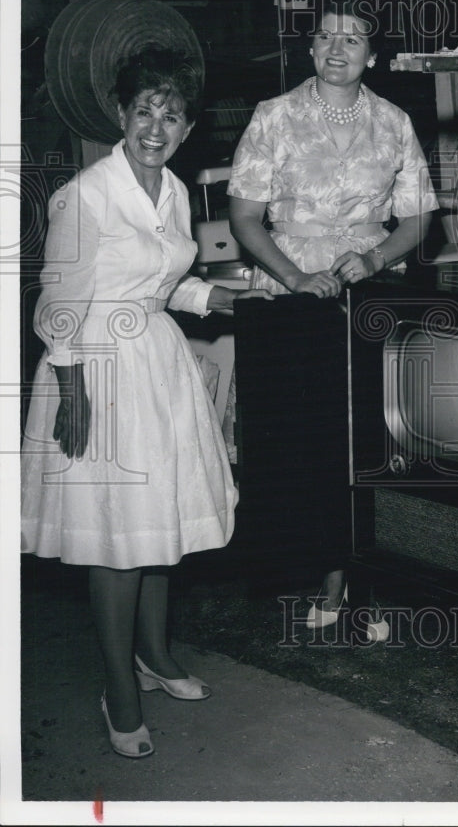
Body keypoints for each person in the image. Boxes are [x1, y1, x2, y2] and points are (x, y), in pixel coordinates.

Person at [21, 46, 271, 758]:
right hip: (98, 371)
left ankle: (155, 658)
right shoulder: (86, 194)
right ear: (120, 117)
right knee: (116, 538)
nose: (155, 126)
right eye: (143, 112)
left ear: (187, 128)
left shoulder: (172, 191)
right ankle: (118, 688)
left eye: (170, 114)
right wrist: (74, 393)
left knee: (157, 526)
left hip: (158, 365)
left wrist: (229, 294)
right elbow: (59, 302)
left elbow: (160, 284)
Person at [228, 0, 438, 635]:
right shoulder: (274, 116)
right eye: (325, 37)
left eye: (352, 39)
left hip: (369, 299)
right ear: (310, 47)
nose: (337, 49)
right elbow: (244, 215)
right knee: (306, 441)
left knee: (373, 439)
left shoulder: (395, 122)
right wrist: (295, 277)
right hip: (292, 302)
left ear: (372, 55)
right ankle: (322, 573)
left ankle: (367, 577)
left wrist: (372, 261)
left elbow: (420, 218)